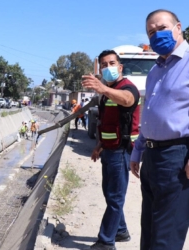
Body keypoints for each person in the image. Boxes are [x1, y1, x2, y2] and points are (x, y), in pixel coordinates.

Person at [130, 9, 189, 250]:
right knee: (150, 231)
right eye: (151, 32)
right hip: (152, 158)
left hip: (177, 157)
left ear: (178, 27)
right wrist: (138, 151)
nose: (156, 35)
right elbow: (150, 113)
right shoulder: (155, 70)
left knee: (166, 238)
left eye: (162, 28)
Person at [81, 49, 140, 250]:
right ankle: (121, 230)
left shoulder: (127, 88)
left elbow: (127, 100)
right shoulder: (107, 93)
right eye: (104, 65)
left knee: (115, 197)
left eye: (112, 63)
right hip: (109, 150)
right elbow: (107, 123)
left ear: (120, 67)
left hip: (121, 151)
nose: (108, 68)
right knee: (110, 193)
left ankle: (106, 242)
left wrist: (102, 88)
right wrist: (98, 146)